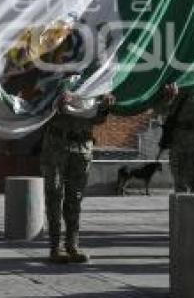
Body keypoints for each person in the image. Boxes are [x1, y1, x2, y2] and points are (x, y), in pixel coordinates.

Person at [42, 88, 115, 264]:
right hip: (57, 145)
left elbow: (98, 119)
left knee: (75, 197)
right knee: (54, 193)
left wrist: (105, 106)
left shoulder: (96, 83)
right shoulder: (57, 77)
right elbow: (38, 109)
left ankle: (72, 245)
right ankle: (55, 247)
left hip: (82, 147)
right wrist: (55, 103)